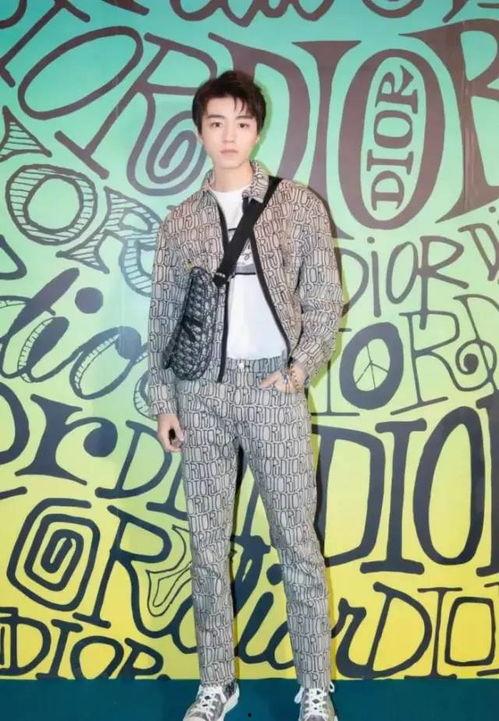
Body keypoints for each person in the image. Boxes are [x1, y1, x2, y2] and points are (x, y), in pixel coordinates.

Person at [148, 69, 343, 721]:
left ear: (257, 130)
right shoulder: (181, 221)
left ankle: (315, 687)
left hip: (273, 390)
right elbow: (164, 315)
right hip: (201, 393)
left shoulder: (298, 205)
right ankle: (215, 683)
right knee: (206, 545)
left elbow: (324, 300)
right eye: (216, 123)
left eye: (242, 122)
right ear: (200, 131)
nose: (229, 135)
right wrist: (164, 400)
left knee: (297, 541)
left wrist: (297, 371)